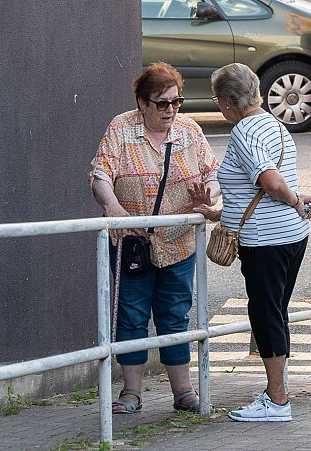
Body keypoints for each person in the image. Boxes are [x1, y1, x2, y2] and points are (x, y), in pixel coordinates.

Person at [89, 61, 220, 414]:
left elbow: (212, 172)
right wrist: (114, 209)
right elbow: (100, 174)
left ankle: (184, 392)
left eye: (176, 102)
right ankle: (131, 392)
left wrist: (208, 194)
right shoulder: (121, 128)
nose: (171, 110)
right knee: (131, 315)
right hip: (132, 242)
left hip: (178, 241)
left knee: (175, 314)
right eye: (162, 103)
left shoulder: (190, 132)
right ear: (143, 103)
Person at [193, 63, 311, 422]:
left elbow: (270, 181)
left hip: (266, 241)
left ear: (226, 102)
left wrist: (295, 199)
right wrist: (220, 214)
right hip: (291, 234)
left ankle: (277, 400)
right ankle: (277, 393)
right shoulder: (275, 124)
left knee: (265, 315)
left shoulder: (244, 132)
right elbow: (255, 189)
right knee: (275, 313)